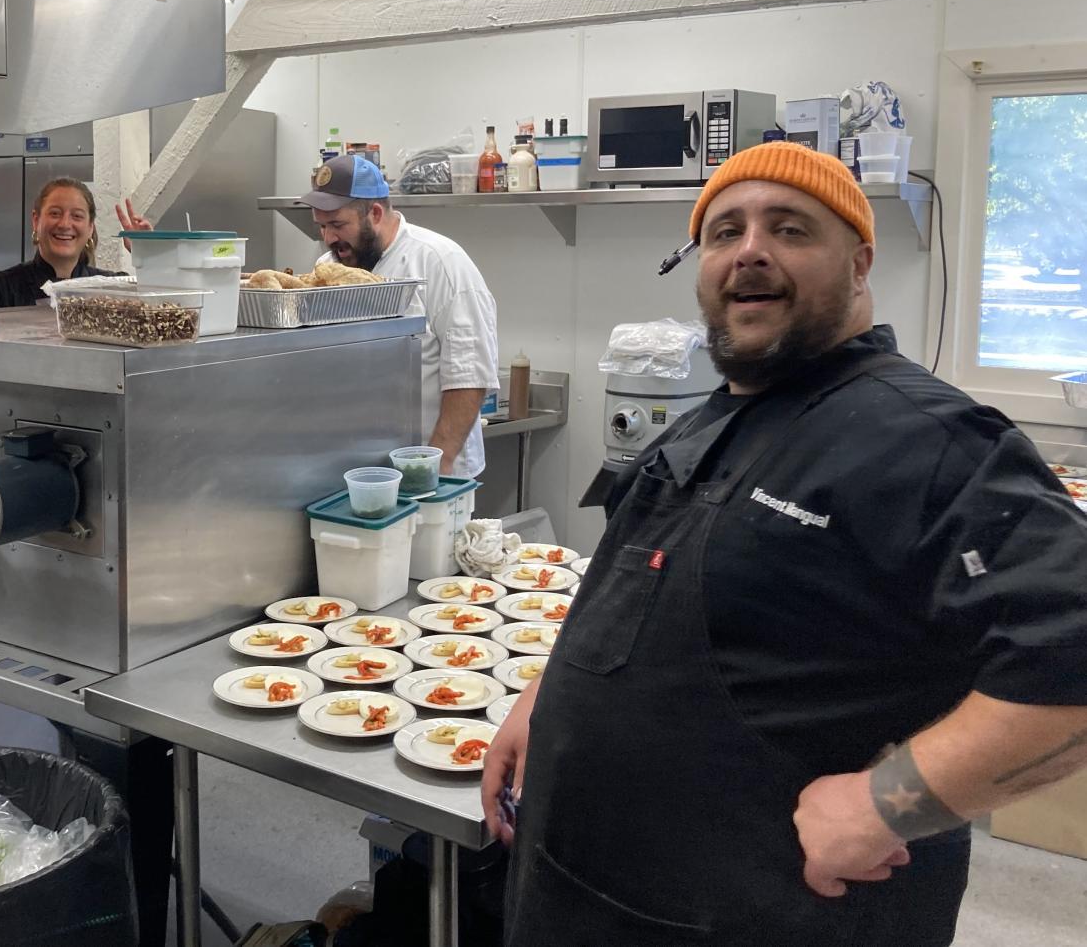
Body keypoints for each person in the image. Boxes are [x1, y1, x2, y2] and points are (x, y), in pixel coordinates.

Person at [483, 140, 1087, 947]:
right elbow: (635, 597)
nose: (750, 252)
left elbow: (1070, 652)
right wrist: (544, 697)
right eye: (724, 232)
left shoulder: (926, 439)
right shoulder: (710, 420)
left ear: (861, 264)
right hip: (586, 893)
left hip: (759, 913)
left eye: (792, 229)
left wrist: (888, 804)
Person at [299, 154, 498, 478]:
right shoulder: (329, 268)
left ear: (374, 214)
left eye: (337, 225)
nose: (329, 239)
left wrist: (436, 467)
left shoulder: (440, 263)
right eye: (322, 226)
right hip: (358, 469)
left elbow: (469, 375)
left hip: (433, 468)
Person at [0, 177, 117, 313]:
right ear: (36, 220)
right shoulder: (0, 287)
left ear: (90, 227)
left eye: (77, 216)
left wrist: (145, 254)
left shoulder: (110, 288)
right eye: (55, 213)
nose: (65, 224)